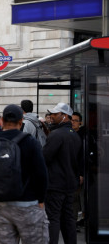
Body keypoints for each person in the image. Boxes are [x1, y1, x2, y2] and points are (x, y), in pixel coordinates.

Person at [0, 104, 49, 244]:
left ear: (2, 120)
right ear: (21, 121)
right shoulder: (30, 141)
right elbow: (41, 173)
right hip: (29, 204)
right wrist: (41, 199)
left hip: (0, 205)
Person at [43, 102, 82, 244]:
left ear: (65, 116)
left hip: (55, 185)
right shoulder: (74, 135)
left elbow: (44, 158)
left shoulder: (56, 135)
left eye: (55, 114)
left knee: (53, 219)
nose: (51, 116)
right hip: (70, 184)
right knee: (68, 219)